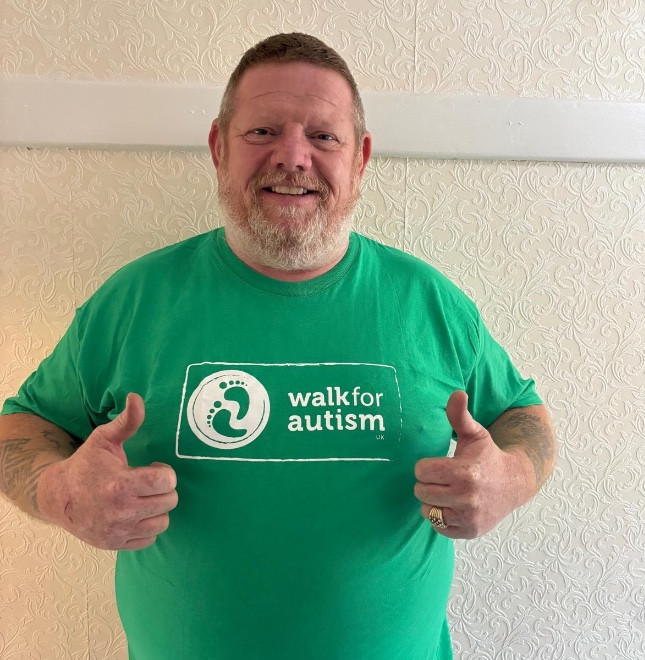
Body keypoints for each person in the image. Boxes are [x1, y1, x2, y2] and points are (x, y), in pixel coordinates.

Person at [0, 33, 556, 660]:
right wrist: (59, 492)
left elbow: (522, 415)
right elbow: (22, 425)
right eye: (263, 132)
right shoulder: (133, 302)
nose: (293, 156)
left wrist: (510, 478)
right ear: (219, 148)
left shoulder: (430, 303)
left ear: (360, 157)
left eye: (324, 136)